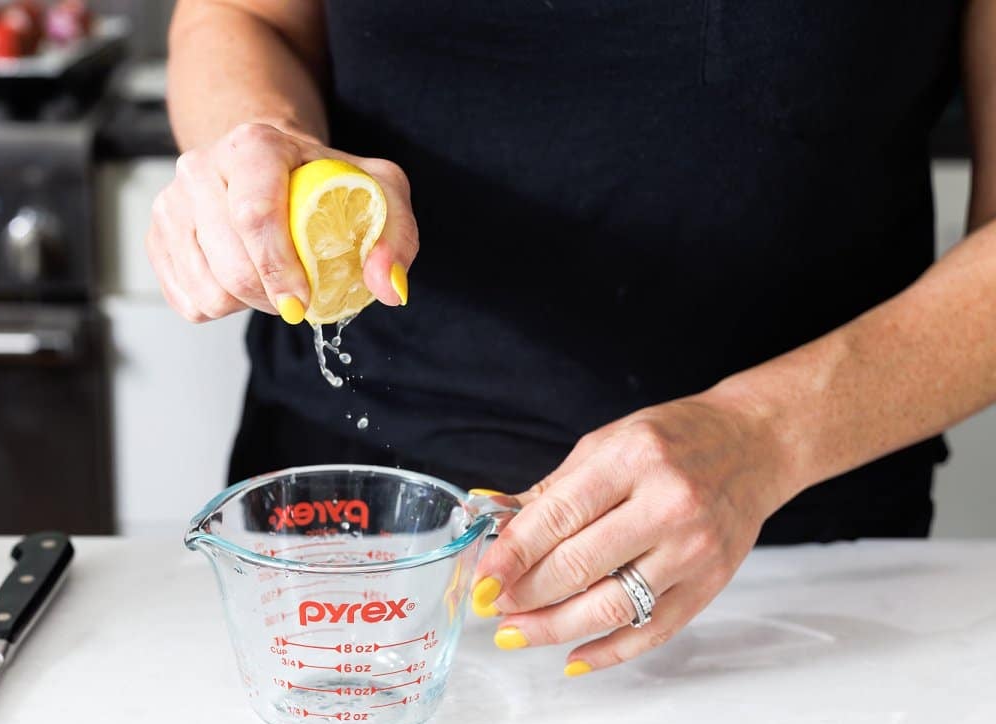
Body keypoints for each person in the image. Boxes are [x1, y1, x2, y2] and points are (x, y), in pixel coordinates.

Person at [148, 1, 994, 676]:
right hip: (344, 543)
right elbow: (243, 17)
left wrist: (766, 434)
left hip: (788, 554)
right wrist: (259, 143)